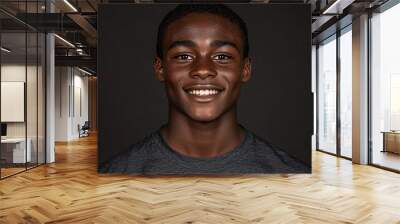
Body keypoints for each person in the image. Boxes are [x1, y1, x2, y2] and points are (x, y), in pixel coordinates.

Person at [99, 4, 310, 174]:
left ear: (245, 69)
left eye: (222, 56)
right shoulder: (117, 173)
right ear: (160, 68)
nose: (202, 70)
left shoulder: (291, 174)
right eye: (183, 56)